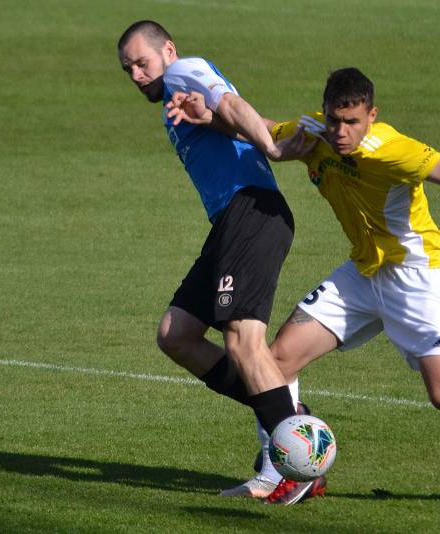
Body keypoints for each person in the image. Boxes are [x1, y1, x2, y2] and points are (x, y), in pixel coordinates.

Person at [165, 67, 440, 507]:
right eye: (334, 121)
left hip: (418, 279)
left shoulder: (394, 150)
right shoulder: (316, 133)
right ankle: (288, 469)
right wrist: (210, 116)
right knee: (276, 362)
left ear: (372, 116)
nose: (341, 133)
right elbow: (264, 129)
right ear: (324, 112)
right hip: (361, 275)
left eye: (353, 122)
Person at [116, 20, 316, 491]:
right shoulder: (181, 98)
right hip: (230, 223)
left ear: (168, 50)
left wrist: (269, 144)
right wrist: (278, 139)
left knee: (243, 344)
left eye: (142, 63)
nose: (137, 76)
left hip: (251, 211)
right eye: (128, 70)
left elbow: (233, 105)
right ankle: (291, 419)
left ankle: (290, 466)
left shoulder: (186, 69)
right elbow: (235, 119)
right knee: (177, 334)